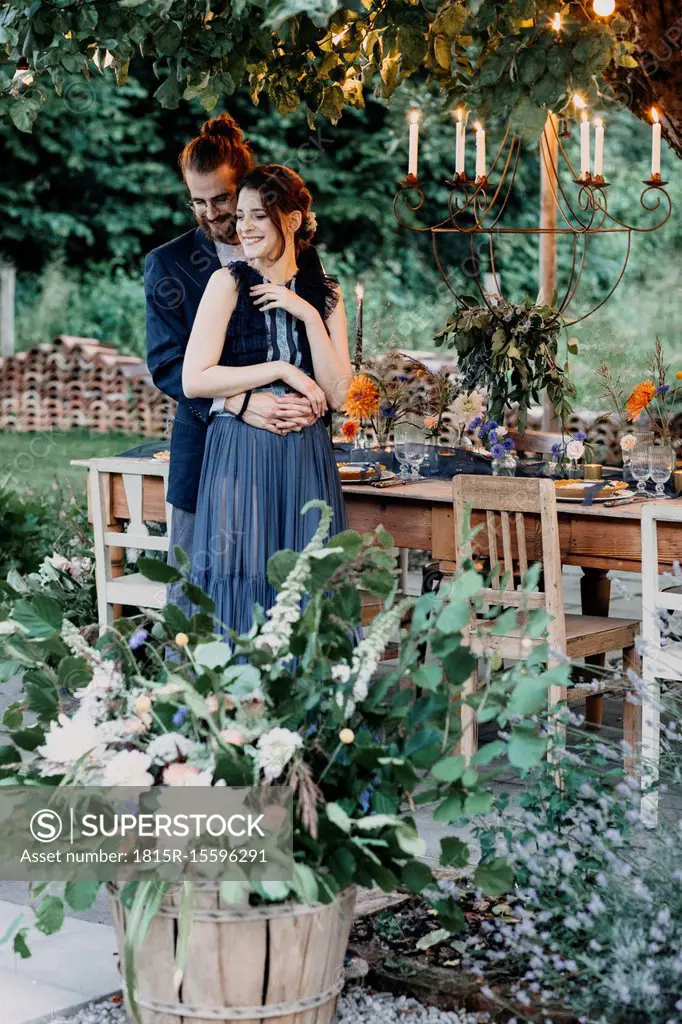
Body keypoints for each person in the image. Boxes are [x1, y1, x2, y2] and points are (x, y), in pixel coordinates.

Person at [144, 115, 318, 600]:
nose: (212, 214)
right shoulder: (169, 264)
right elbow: (167, 365)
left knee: (279, 590)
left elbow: (307, 339)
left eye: (221, 199)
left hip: (287, 455)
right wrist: (239, 402)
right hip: (204, 451)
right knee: (198, 597)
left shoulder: (298, 252)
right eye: (197, 202)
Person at [182, 164, 352, 635]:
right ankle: (236, 698)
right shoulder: (227, 283)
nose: (245, 228)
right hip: (241, 454)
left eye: (259, 215)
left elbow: (342, 395)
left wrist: (308, 317)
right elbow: (194, 378)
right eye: (240, 217)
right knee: (244, 575)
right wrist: (279, 370)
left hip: (306, 457)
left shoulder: (327, 294)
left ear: (292, 220)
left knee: (307, 580)